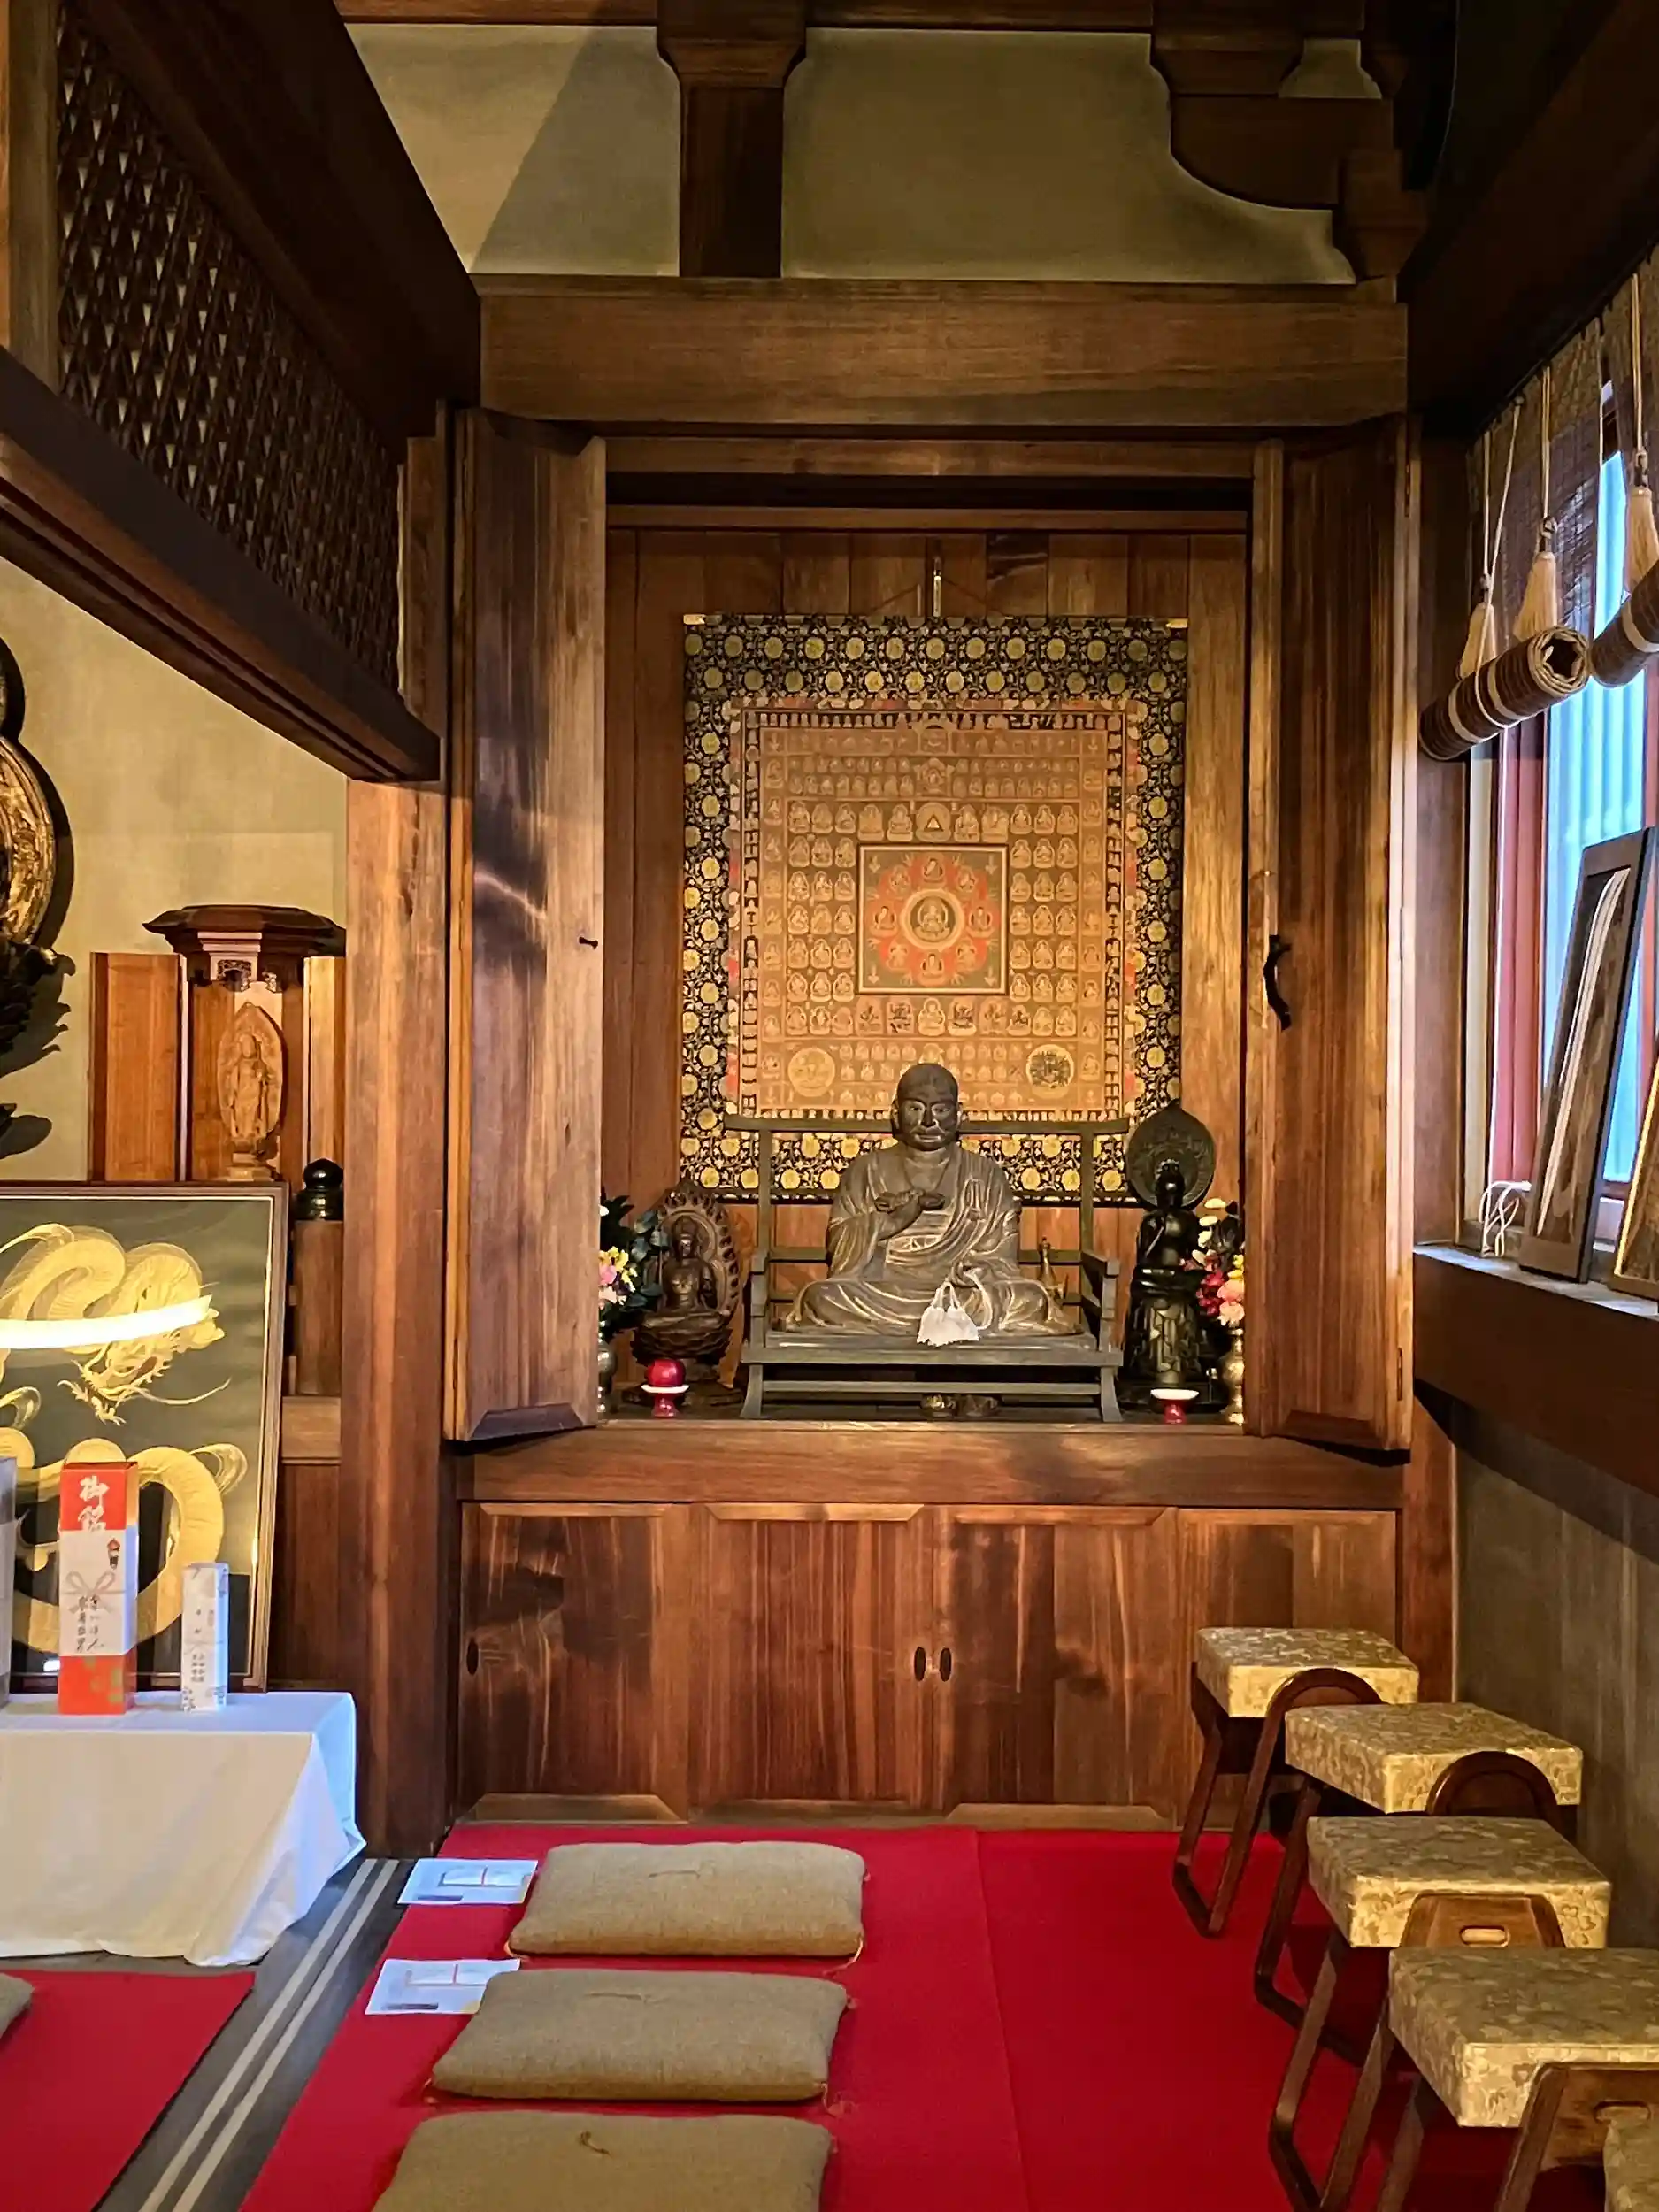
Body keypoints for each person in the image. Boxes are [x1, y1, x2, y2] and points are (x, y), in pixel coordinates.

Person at [787, 1063, 1072, 1336]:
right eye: (915, 1108)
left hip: (959, 1291)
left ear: (958, 1114)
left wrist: (972, 1272)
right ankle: (933, 1324)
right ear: (896, 1113)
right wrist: (891, 1222)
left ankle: (927, 1323)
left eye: (940, 1110)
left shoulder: (986, 1174)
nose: (928, 1121)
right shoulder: (866, 1170)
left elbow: (1001, 1260)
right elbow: (840, 1247)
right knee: (821, 1297)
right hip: (885, 1290)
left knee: (1030, 1299)